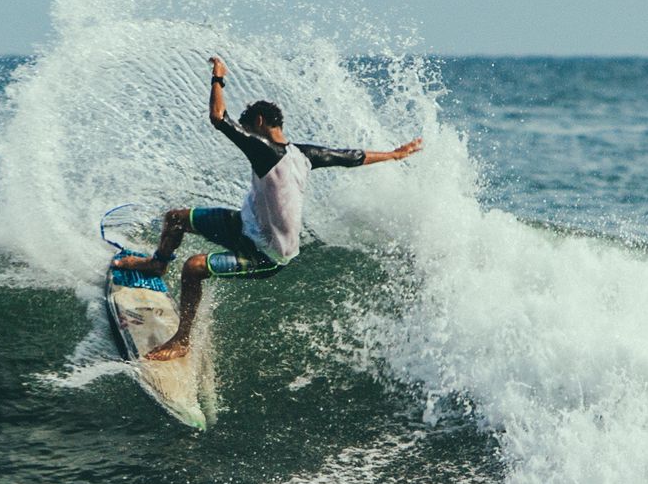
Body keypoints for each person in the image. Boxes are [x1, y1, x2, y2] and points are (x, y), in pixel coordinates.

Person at [112, 56, 422, 361]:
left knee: (194, 267)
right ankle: (157, 264)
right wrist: (394, 155)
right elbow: (350, 156)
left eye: (249, 127)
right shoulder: (304, 153)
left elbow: (219, 118)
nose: (247, 133)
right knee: (176, 219)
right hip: (246, 226)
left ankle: (181, 341)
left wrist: (218, 77)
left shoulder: (264, 150)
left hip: (267, 254)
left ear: (259, 123)